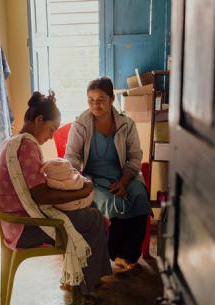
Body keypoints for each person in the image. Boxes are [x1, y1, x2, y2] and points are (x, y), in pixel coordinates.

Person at [0, 91, 112, 305]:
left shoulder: (12, 142)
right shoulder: (27, 146)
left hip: (15, 221)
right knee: (94, 218)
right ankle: (84, 291)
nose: (51, 136)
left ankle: (80, 278)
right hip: (23, 228)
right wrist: (79, 193)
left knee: (91, 211)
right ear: (38, 120)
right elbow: (41, 196)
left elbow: (36, 186)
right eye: (51, 129)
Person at [65, 77, 151, 271]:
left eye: (101, 99)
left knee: (138, 194)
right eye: (90, 100)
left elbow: (135, 157)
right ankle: (113, 252)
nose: (95, 104)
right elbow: (71, 157)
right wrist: (80, 180)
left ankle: (128, 255)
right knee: (111, 201)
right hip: (91, 178)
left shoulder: (126, 124)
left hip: (123, 174)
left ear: (112, 98)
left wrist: (124, 181)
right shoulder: (80, 125)